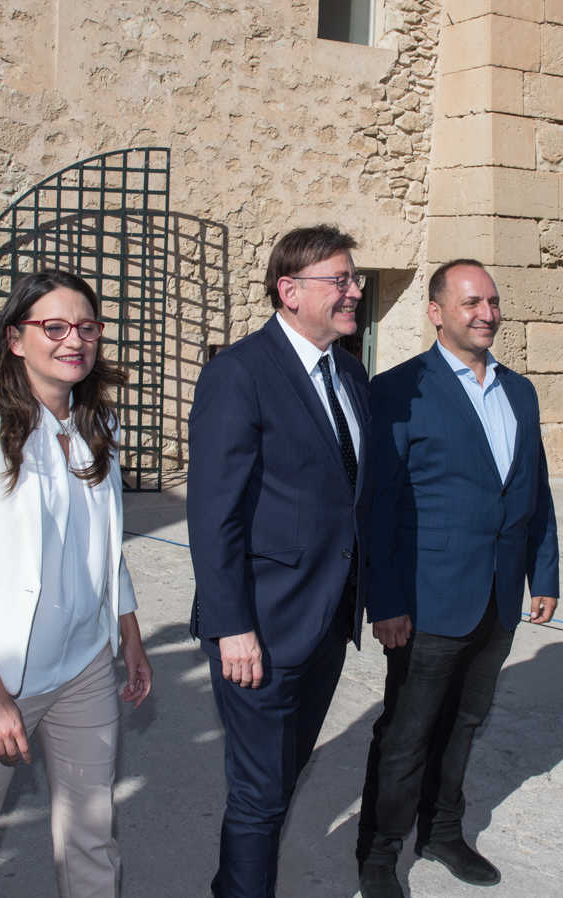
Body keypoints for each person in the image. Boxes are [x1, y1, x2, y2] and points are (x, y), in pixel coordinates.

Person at [0, 269, 153, 898]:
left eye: (86, 327)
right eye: (53, 326)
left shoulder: (96, 426)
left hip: (83, 668)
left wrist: (128, 635)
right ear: (17, 339)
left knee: (91, 835)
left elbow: (105, 549)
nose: (72, 340)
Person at [355, 259, 560, 897]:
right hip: (426, 600)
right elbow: (376, 509)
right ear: (436, 312)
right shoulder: (397, 391)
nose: (486, 314)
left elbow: (536, 491)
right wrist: (384, 601)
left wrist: (543, 573)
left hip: (499, 597)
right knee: (408, 733)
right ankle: (379, 856)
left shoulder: (519, 392)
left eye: (493, 301)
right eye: (471, 302)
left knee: (466, 722)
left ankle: (442, 832)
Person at [187, 224, 368, 898]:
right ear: (289, 291)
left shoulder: (349, 372)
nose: (354, 292)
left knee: (283, 777)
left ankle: (233, 882)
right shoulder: (239, 373)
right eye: (340, 281)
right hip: (258, 627)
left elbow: (351, 496)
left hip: (326, 621)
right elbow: (213, 512)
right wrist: (232, 624)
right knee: (261, 792)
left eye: (354, 279)